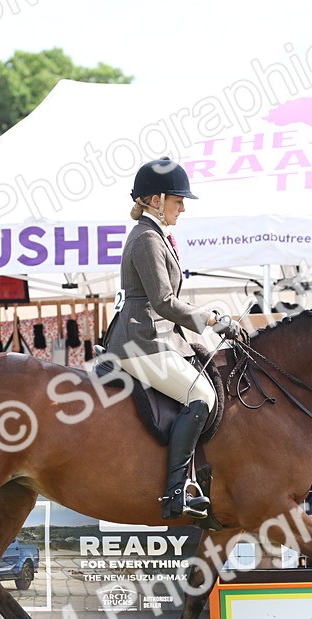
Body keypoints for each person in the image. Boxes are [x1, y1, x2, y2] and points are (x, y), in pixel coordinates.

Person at [103, 157, 240, 521]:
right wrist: (208, 319)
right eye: (178, 200)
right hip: (141, 340)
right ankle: (175, 491)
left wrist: (210, 322)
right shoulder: (147, 238)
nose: (182, 207)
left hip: (160, 337)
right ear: (155, 199)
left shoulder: (157, 236)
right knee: (202, 395)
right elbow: (163, 301)